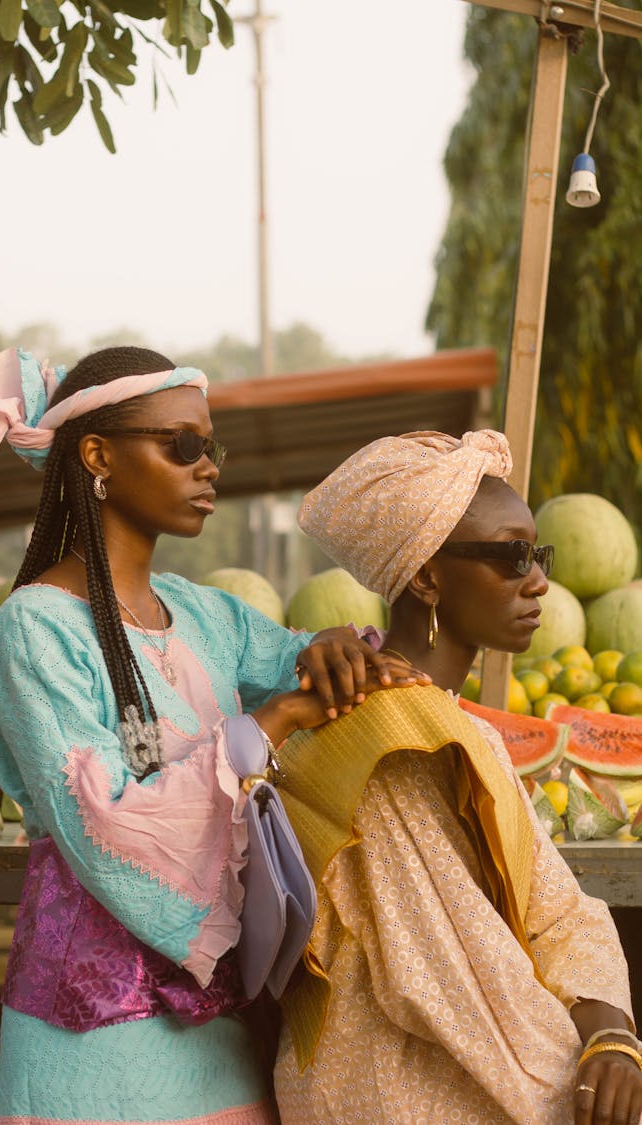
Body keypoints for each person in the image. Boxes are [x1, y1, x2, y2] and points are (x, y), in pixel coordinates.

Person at [0, 344, 428, 1125]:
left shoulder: (205, 613)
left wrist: (331, 649)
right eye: (181, 444)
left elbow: (304, 661)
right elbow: (104, 826)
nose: (208, 465)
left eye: (210, 446)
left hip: (217, 1035)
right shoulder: (33, 630)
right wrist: (274, 720)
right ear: (97, 455)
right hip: (89, 1052)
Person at [272, 429, 642, 1125]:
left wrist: (612, 1033)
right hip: (397, 1094)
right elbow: (448, 981)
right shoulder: (384, 742)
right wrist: (577, 1066)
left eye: (539, 554)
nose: (538, 580)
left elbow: (556, 910)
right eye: (512, 557)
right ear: (426, 577)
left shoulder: (449, 720)